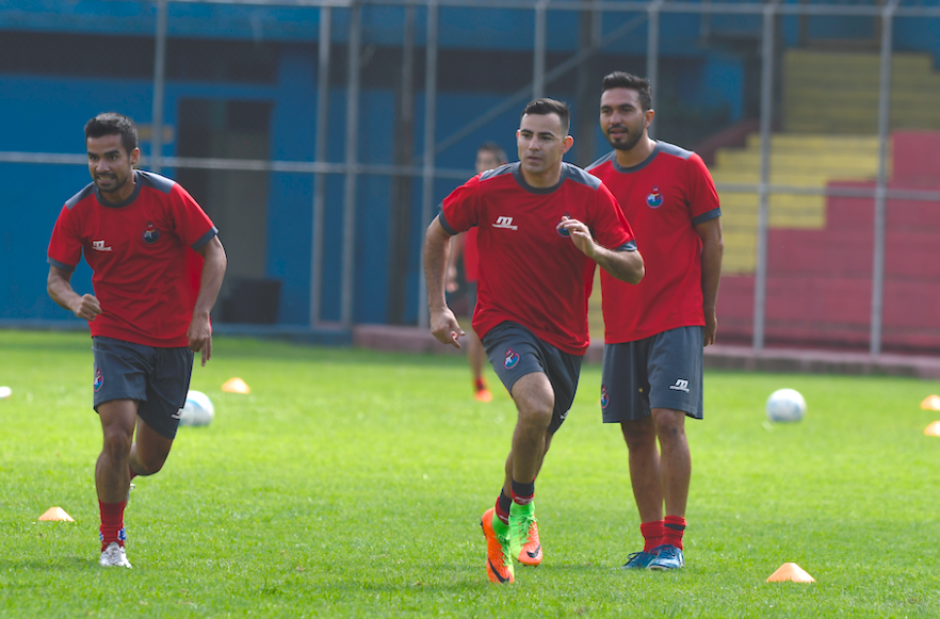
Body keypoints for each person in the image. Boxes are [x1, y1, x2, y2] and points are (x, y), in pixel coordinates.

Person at [423, 98, 644, 584]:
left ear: (564, 145)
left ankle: (499, 518)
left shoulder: (591, 194)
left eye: (545, 137)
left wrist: (594, 249)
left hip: (566, 337)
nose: (532, 145)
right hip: (504, 322)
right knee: (537, 405)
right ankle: (523, 509)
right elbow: (438, 233)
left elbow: (635, 267)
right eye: (525, 135)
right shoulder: (490, 187)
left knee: (537, 440)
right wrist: (439, 306)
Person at [46, 112, 227, 569]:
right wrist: (73, 302)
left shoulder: (168, 197)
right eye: (93, 158)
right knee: (115, 435)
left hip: (173, 341)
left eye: (111, 157)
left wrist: (201, 315)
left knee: (146, 460)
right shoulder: (76, 211)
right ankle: (112, 542)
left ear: (133, 156)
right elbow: (56, 279)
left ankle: (118, 473)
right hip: (115, 333)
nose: (101, 167)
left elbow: (215, 252)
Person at [586, 72, 723, 571]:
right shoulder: (593, 179)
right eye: (606, 111)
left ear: (647, 117)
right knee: (635, 432)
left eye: (624, 110)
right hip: (623, 323)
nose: (614, 119)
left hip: (676, 315)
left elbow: (713, 241)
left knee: (668, 421)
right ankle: (649, 544)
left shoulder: (686, 166)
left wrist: (706, 309)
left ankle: (674, 543)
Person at [445, 142, 509, 402]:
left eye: (489, 162)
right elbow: (456, 232)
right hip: (478, 277)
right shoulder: (471, 194)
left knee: (515, 330)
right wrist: (450, 267)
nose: (483, 167)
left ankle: (515, 379)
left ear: (501, 166)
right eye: (480, 162)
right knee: (478, 333)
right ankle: (479, 384)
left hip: (508, 276)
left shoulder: (509, 196)